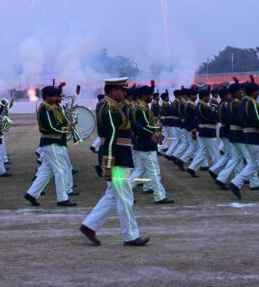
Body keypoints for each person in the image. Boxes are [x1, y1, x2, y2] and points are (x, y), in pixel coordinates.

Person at [80, 77, 149, 246]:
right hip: (117, 157)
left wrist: (149, 135)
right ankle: (131, 236)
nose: (125, 93)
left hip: (119, 155)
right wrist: (108, 165)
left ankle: (89, 226)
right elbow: (111, 138)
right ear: (113, 91)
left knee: (112, 196)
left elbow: (130, 125)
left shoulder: (112, 106)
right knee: (125, 198)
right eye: (122, 90)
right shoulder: (110, 108)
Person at [25, 85, 75, 207]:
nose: (57, 98)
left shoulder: (54, 107)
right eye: (54, 96)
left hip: (56, 142)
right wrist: (66, 128)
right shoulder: (45, 109)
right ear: (47, 97)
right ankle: (62, 198)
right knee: (61, 170)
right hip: (51, 142)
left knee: (46, 171)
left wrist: (68, 123)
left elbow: (60, 123)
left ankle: (32, 193)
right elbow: (50, 127)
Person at [130, 85, 172, 204]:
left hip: (142, 143)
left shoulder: (141, 107)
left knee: (139, 171)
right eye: (149, 95)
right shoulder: (142, 109)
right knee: (154, 171)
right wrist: (156, 129)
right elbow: (144, 127)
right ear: (143, 96)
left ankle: (123, 192)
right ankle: (160, 196)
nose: (151, 97)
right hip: (146, 144)